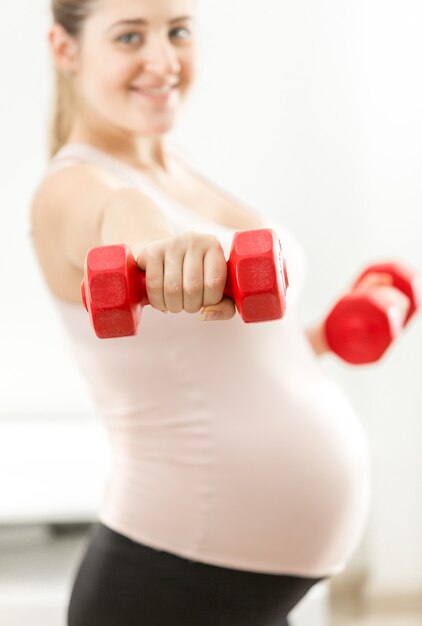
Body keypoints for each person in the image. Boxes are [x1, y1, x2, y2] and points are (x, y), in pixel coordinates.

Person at [30, 0, 399, 624]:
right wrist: (159, 251)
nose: (163, 59)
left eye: (177, 31)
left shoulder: (176, 164)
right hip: (165, 581)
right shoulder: (72, 187)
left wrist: (322, 337)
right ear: (66, 51)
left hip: (237, 586)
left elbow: (225, 355)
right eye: (128, 36)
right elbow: (118, 217)